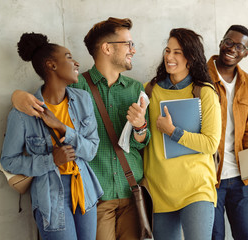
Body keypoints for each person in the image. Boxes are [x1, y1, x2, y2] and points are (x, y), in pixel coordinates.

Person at [11, 18, 150, 240]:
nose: (134, 49)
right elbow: (46, 95)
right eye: (128, 44)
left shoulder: (135, 88)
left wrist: (140, 127)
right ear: (107, 48)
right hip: (95, 197)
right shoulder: (76, 88)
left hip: (132, 193)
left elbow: (143, 141)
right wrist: (16, 96)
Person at [0, 32, 103, 240]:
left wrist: (63, 128)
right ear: (51, 65)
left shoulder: (83, 100)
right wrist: (51, 161)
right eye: (68, 56)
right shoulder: (23, 113)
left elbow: (91, 150)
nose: (76, 62)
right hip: (50, 197)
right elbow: (8, 161)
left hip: (85, 190)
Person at [144, 28, 221, 240]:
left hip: (197, 188)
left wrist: (173, 132)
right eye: (168, 50)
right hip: (160, 188)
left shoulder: (205, 91)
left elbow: (210, 144)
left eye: (177, 52)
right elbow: (140, 140)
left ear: (191, 57)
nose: (169, 57)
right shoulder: (150, 91)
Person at [206, 25, 248, 240]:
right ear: (221, 42)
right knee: (214, 236)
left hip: (241, 178)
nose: (232, 48)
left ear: (246, 53)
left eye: (239, 46)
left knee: (247, 236)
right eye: (229, 42)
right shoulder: (200, 76)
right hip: (210, 177)